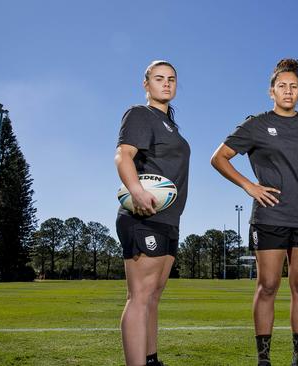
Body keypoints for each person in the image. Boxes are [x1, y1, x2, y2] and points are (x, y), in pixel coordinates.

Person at [211, 58, 298, 366]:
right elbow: (220, 158)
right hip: (269, 216)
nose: (288, 91)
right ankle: (264, 360)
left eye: (293, 86)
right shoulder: (255, 124)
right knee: (268, 285)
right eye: (282, 86)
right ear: (271, 91)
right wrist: (248, 186)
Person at [114, 60, 190, 366]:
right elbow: (123, 155)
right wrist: (136, 190)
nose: (167, 83)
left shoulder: (170, 124)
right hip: (143, 218)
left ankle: (151, 359)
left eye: (172, 79)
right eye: (159, 79)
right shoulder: (140, 114)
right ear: (146, 85)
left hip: (169, 221)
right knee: (140, 296)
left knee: (153, 297)